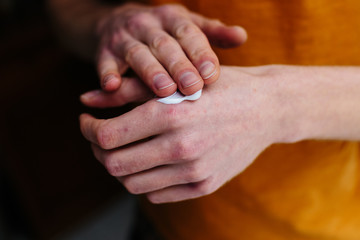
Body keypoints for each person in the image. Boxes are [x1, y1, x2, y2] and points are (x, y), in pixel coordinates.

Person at [48, 0, 360, 239]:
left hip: (324, 227)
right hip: (170, 220)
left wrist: (278, 105)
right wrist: (104, 24)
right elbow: (65, 9)